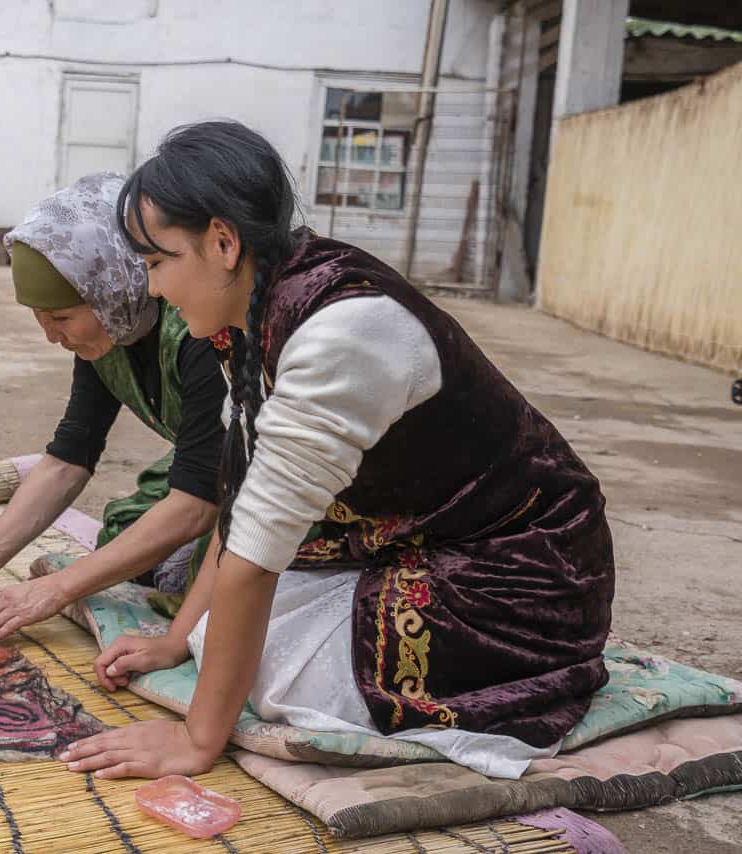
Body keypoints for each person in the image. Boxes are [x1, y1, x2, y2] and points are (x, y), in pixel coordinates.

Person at [61, 121, 615, 781]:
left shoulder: (342, 332)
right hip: (420, 544)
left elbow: (255, 559)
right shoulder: (255, 307)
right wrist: (178, 638)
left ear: (223, 241)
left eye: (157, 264)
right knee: (219, 640)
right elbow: (242, 500)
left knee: (268, 680)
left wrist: (197, 738)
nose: (154, 290)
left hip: (521, 574)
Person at [0, 172, 228, 642]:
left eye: (61, 317)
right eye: (40, 319)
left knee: (201, 583)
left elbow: (196, 504)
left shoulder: (199, 331)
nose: (51, 336)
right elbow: (69, 459)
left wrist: (55, 590)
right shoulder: (112, 328)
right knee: (124, 533)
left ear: (113, 284)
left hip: (262, 471)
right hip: (208, 466)